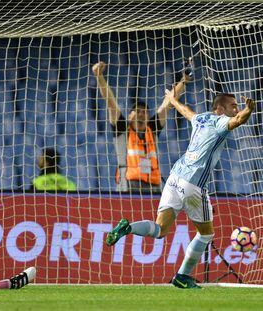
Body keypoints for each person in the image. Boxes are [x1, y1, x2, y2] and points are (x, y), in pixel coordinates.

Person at [106, 90, 256, 288]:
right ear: (220, 109)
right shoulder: (220, 122)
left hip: (175, 177)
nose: (235, 109)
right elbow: (238, 120)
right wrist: (249, 109)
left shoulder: (201, 119)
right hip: (193, 184)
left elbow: (186, 112)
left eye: (237, 106)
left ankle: (128, 227)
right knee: (205, 234)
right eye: (232, 105)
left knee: (160, 230)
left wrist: (172, 99)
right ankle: (183, 276)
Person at [92, 60, 192, 192]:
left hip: (154, 185)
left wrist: (183, 81)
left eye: (144, 112)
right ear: (129, 116)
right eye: (137, 111)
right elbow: (110, 102)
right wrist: (99, 77)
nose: (141, 114)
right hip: (128, 184)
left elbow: (167, 103)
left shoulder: (152, 128)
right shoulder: (122, 129)